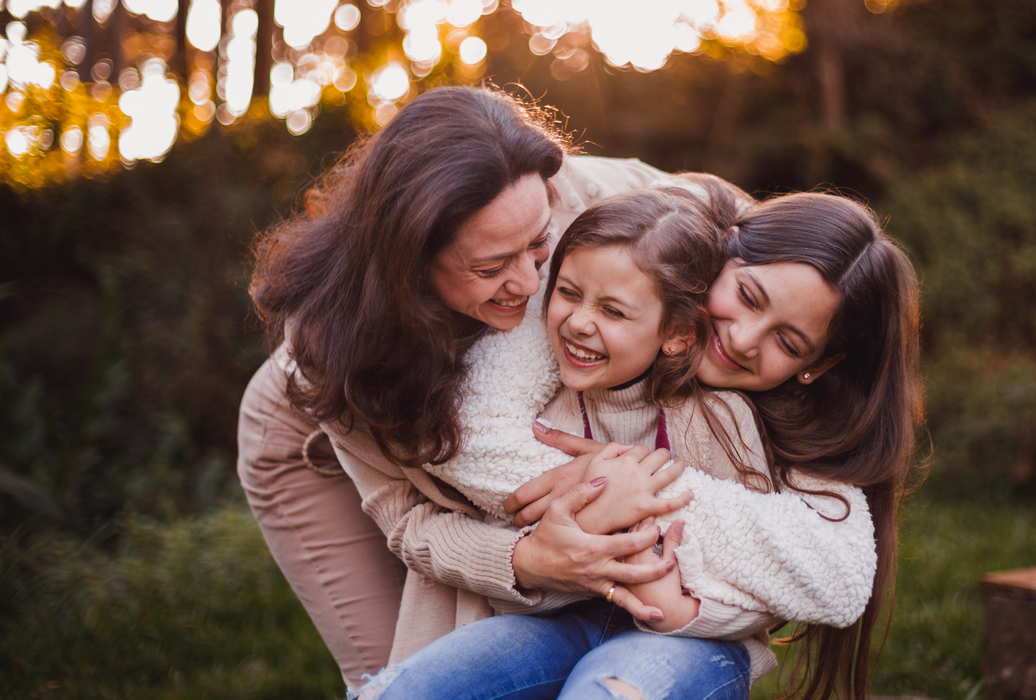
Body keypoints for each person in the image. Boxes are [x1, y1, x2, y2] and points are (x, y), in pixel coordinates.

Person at [332, 180, 919, 700]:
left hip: (684, 636)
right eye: (747, 296)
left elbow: (825, 574)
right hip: (545, 607)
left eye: (789, 344)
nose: (742, 338)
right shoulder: (576, 278)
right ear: (721, 250)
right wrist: (541, 547)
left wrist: (638, 497)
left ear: (817, 365)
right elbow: (449, 470)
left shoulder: (764, 420)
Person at [237, 85, 689, 688]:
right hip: (301, 433)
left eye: (538, 246)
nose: (530, 283)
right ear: (410, 263)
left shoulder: (579, 197)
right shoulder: (340, 345)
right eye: (490, 267)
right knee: (401, 671)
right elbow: (407, 521)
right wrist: (523, 560)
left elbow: (734, 228)